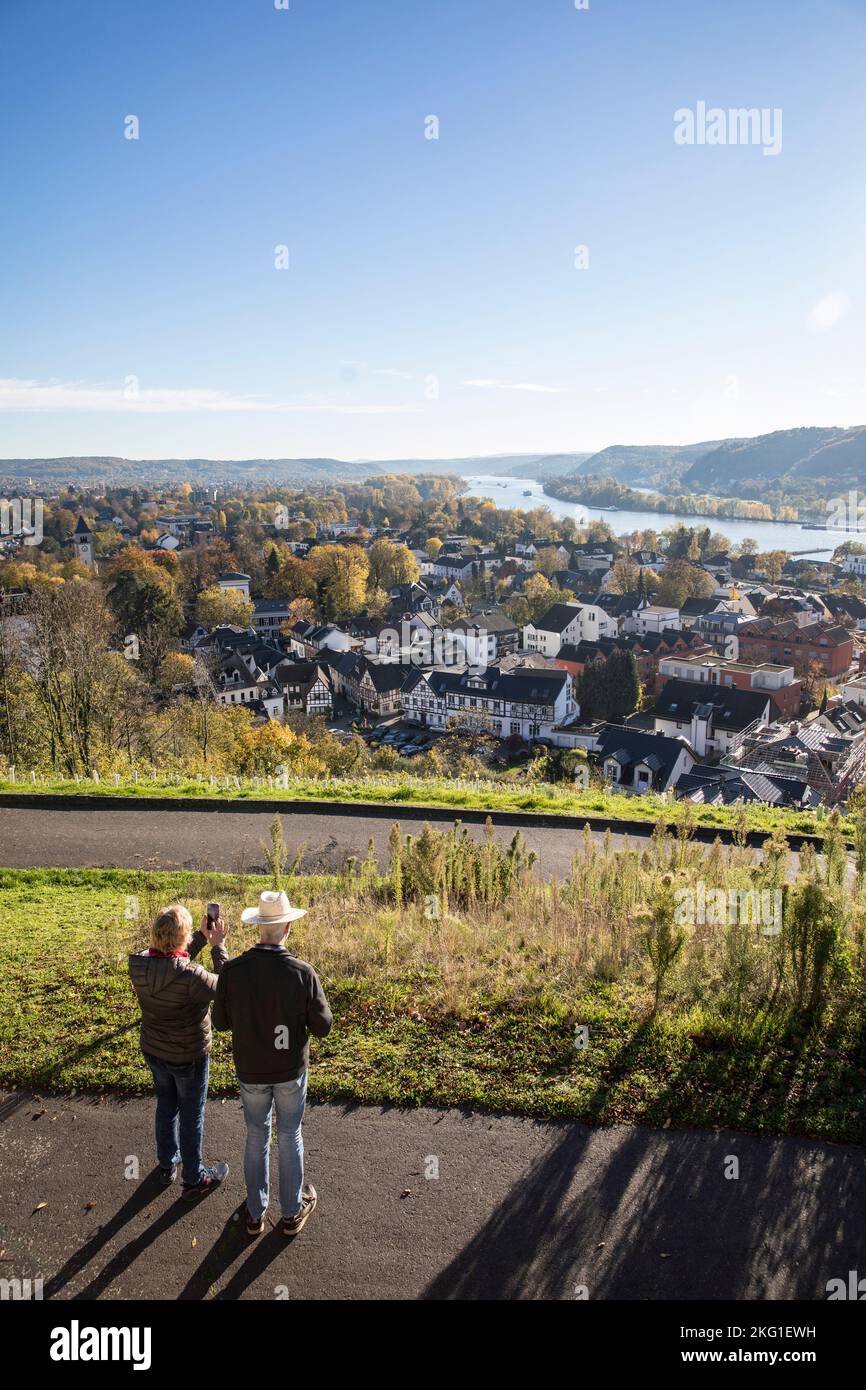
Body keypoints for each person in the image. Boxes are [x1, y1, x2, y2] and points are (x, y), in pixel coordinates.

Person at [213, 890, 332, 1237]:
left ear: (258, 928)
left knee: (255, 1132)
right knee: (289, 1133)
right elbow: (323, 1027)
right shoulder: (302, 972)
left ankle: (255, 1212)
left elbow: (220, 1022)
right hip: (290, 1070)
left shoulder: (233, 972)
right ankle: (292, 1212)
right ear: (287, 929)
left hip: (251, 1069)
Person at [128, 903, 230, 1199]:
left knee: (166, 1106)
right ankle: (194, 1178)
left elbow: (170, 966)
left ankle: (166, 1165)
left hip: (154, 1050)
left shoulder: (140, 966)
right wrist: (217, 946)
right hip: (189, 1056)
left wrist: (198, 937)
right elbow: (227, 986)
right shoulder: (193, 977)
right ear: (182, 939)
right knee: (191, 1115)